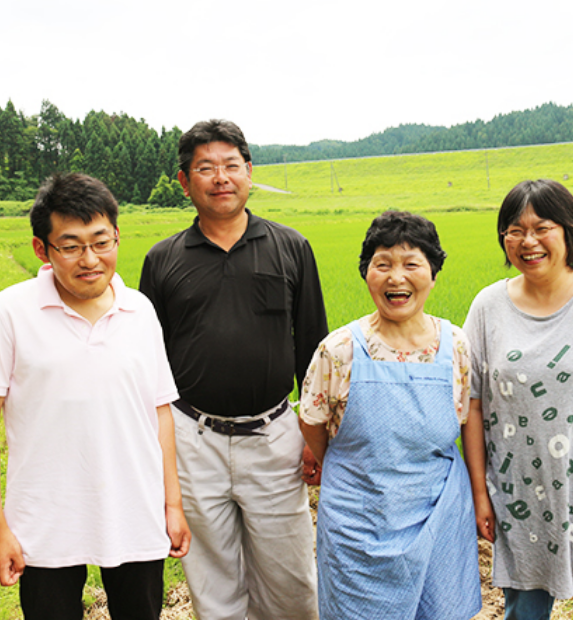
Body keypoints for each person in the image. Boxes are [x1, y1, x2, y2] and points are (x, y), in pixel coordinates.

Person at [139, 119, 328, 620]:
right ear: (185, 182)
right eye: (205, 168)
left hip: (274, 435)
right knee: (212, 579)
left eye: (230, 165)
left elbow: (313, 349)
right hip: (193, 436)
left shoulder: (291, 247)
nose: (220, 177)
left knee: (291, 581)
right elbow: (148, 362)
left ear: (249, 171)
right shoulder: (162, 260)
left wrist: (316, 436)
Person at [0, 173, 191, 619]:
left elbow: (159, 411)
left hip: (134, 512)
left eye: (101, 242)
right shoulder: (11, 311)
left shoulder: (140, 310)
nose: (89, 259)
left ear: (117, 237)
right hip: (43, 520)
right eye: (70, 246)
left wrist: (173, 504)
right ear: (41, 250)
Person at [300, 210, 482, 619]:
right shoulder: (340, 348)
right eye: (383, 264)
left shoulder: (455, 344)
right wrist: (349, 468)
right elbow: (312, 421)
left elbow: (466, 414)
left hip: (439, 510)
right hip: (358, 519)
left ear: (433, 274)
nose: (396, 277)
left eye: (411, 263)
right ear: (367, 274)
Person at [463, 179, 573, 620]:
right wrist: (480, 493)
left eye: (541, 227)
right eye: (514, 230)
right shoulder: (488, 306)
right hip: (520, 499)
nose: (527, 241)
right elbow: (472, 405)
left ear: (570, 230)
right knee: (524, 614)